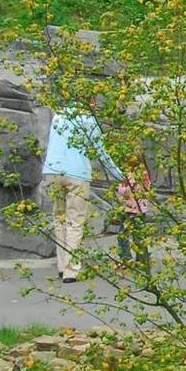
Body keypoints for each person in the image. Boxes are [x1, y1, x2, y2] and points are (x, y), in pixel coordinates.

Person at [42, 106, 123, 283]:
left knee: (59, 219)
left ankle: (62, 266)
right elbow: (100, 151)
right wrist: (119, 175)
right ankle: (71, 270)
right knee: (75, 221)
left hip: (52, 171)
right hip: (77, 174)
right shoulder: (88, 119)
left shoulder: (58, 116)